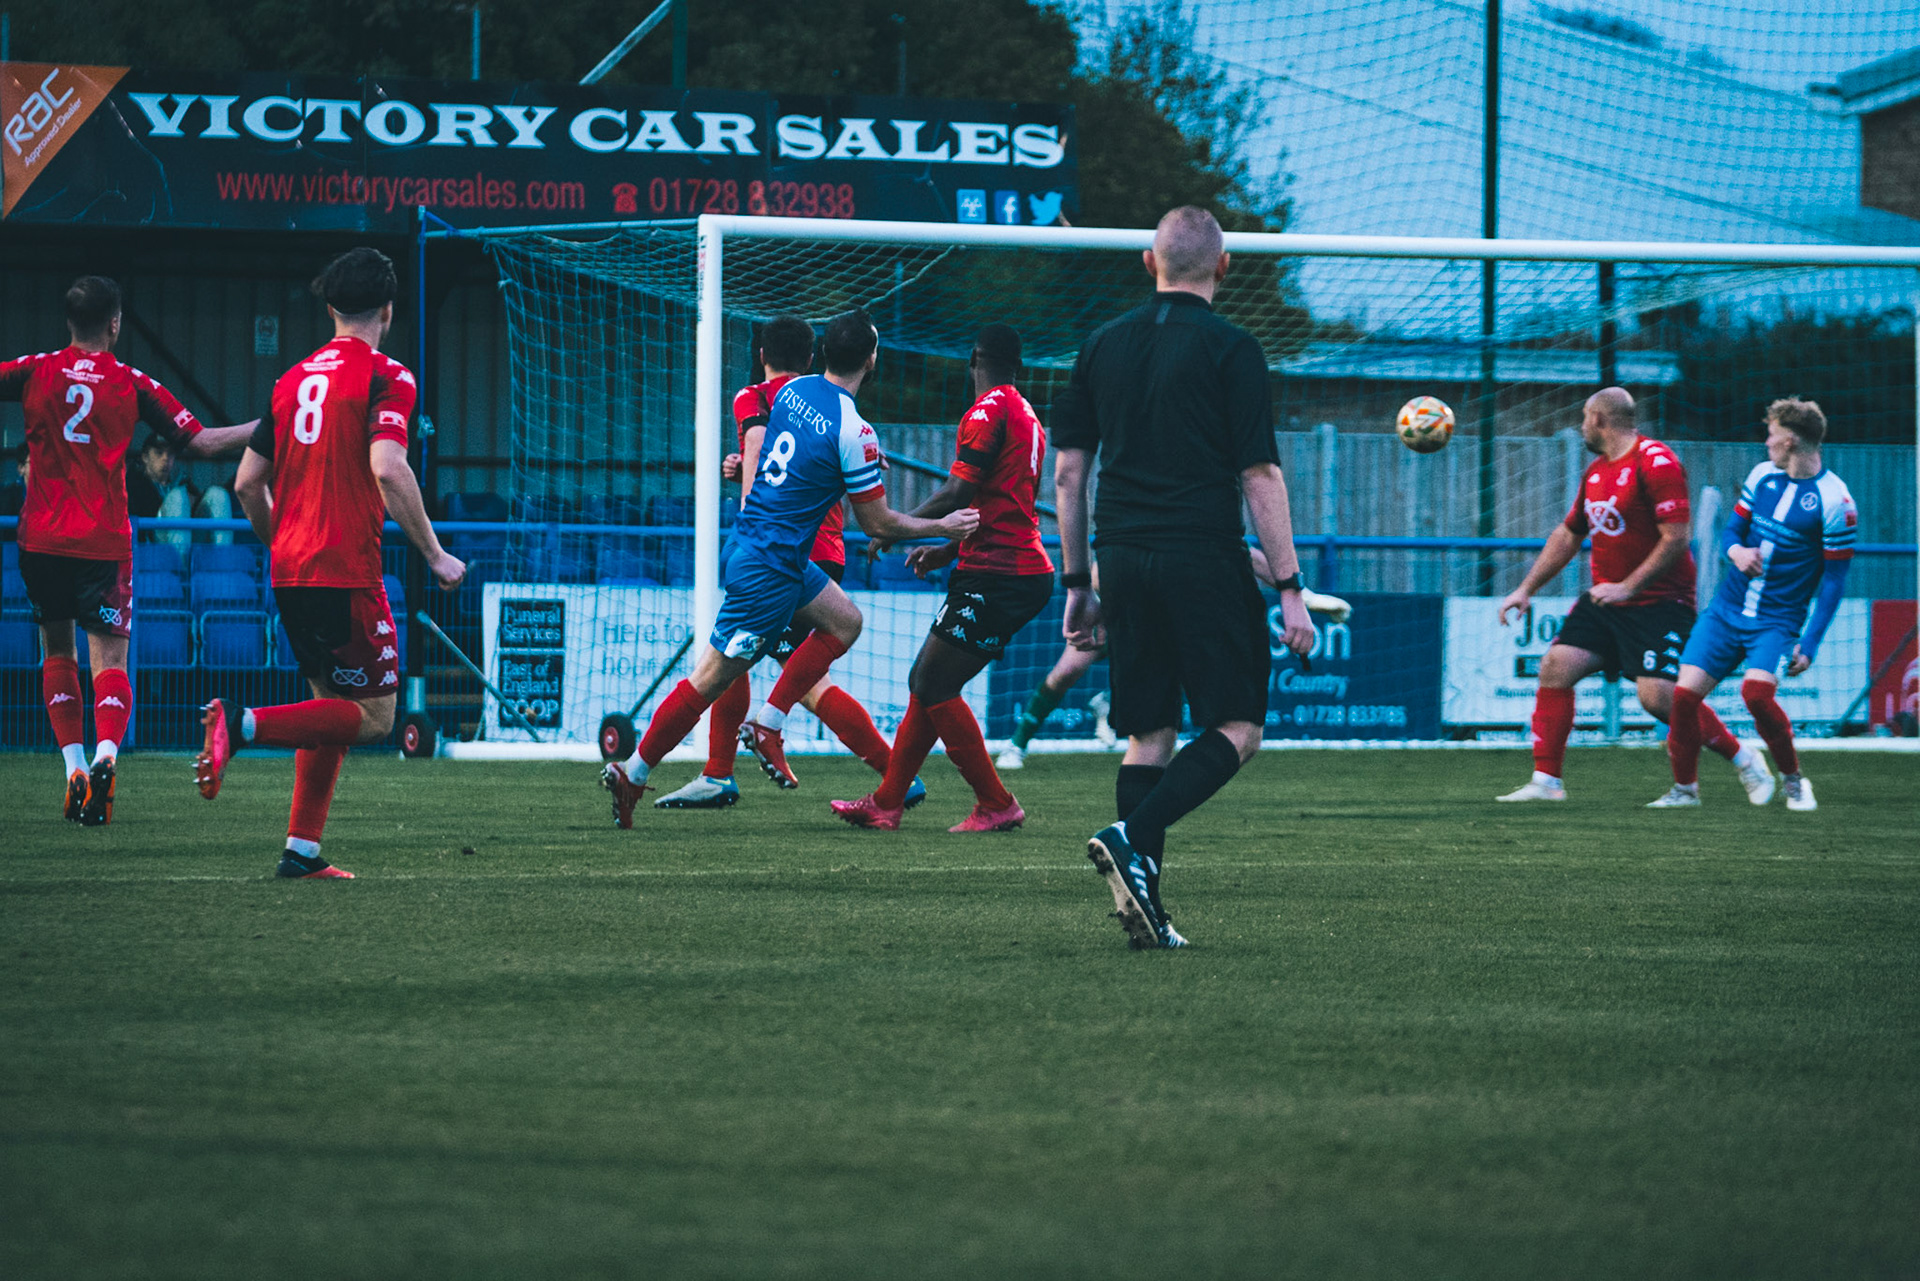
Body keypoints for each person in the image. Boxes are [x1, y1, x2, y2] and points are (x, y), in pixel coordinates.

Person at [1051, 206, 1317, 950]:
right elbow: (1259, 473)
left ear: (1149, 262)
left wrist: (1078, 580)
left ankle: (1148, 916)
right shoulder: (1233, 349)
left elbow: (1069, 475)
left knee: (1149, 732)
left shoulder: (1100, 345)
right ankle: (1133, 834)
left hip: (1123, 558)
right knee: (1238, 726)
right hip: (1202, 554)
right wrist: (1290, 586)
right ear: (1223, 268)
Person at [600, 309, 977, 828]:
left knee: (846, 621)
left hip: (765, 549)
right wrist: (945, 526)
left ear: (823, 353)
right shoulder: (855, 430)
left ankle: (766, 725)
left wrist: (847, 461)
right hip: (770, 569)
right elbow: (879, 526)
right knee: (709, 680)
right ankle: (635, 773)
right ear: (872, 359)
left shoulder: (791, 392)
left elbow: (784, 445)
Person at [193, 248, 467, 879]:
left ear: (331, 308)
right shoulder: (385, 375)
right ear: (389, 310)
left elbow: (244, 484)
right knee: (375, 718)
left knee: (328, 704)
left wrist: (282, 541)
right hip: (345, 568)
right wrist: (435, 553)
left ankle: (302, 849)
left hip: (291, 570)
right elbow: (387, 466)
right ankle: (242, 725)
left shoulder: (290, 381)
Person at [0, 275, 254, 825]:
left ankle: (72, 769)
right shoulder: (132, 382)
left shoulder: (34, 369)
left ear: (69, 323)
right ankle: (106, 756)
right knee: (108, 661)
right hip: (102, 541)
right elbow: (203, 441)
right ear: (115, 323)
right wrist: (270, 425)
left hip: (41, 539)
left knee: (57, 652)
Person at [660, 315, 920, 810]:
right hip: (822, 548)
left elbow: (761, 452)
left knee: (780, 674)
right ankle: (721, 771)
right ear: (809, 357)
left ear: (763, 355)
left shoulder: (764, 397)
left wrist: (748, 501)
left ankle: (895, 775)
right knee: (745, 665)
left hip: (783, 553)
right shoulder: (822, 403)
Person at [1495, 388, 1770, 804]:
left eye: (1585, 417)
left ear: (1599, 420)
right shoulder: (1596, 472)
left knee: (1658, 698)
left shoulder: (1656, 462)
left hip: (1660, 601)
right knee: (1555, 666)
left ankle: (1745, 758)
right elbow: (1569, 534)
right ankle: (1547, 781)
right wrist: (1525, 589)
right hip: (1607, 600)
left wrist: (1629, 586)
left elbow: (1676, 539)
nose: (1582, 425)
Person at [830, 324, 1052, 832]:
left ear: (973, 359)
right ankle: (887, 803)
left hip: (1000, 573)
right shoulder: (1026, 414)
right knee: (929, 683)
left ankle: (995, 802)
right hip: (1009, 567)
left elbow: (956, 493)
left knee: (932, 682)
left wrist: (895, 529)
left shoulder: (985, 412)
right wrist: (946, 550)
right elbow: (1001, 505)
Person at [1652, 398, 1855, 812]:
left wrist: (1810, 643)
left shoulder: (1837, 502)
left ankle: (1794, 781)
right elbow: (1732, 531)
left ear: (1791, 440)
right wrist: (1736, 554)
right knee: (1683, 698)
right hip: (1727, 610)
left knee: (1757, 695)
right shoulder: (1763, 476)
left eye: (1771, 434)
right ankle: (1685, 790)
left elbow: (1834, 580)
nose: (1766, 442)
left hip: (1778, 620)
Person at [125, 432, 237, 550]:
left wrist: (192, 504)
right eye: (159, 453)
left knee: (217, 494)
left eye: (170, 454)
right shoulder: (133, 485)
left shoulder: (182, 482)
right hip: (152, 548)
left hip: (191, 544)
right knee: (177, 497)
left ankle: (222, 562)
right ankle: (179, 567)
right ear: (145, 457)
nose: (165, 459)